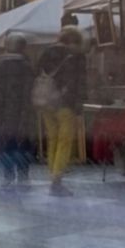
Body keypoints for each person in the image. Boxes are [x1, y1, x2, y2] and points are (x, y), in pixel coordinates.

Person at [35, 25, 87, 196]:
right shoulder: (77, 56)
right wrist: (78, 107)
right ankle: (57, 180)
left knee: (52, 139)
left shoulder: (46, 52)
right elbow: (79, 83)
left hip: (46, 102)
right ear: (74, 41)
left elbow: (36, 73)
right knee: (65, 141)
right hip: (65, 104)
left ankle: (53, 175)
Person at [0, 32, 36, 188]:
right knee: (24, 146)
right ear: (23, 47)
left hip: (3, 114)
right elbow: (29, 92)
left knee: (7, 145)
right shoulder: (26, 66)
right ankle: (23, 176)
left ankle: (7, 175)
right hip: (23, 113)